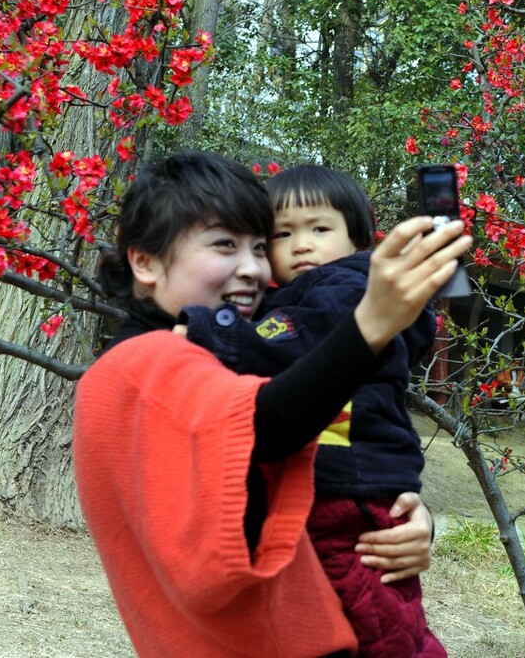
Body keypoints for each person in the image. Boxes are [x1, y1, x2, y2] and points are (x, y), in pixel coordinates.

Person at [72, 152, 470, 657]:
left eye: (260, 247)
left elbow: (274, 463)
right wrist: (370, 322)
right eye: (224, 245)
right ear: (144, 261)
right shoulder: (144, 362)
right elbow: (270, 425)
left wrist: (396, 513)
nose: (253, 268)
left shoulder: (217, 353)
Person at [182, 165, 445, 657]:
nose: (301, 245)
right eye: (282, 234)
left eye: (319, 229)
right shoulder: (295, 300)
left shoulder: (349, 287)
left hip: (346, 484)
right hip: (334, 483)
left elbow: (289, 343)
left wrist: (208, 329)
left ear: (360, 240)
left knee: (371, 615)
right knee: (373, 610)